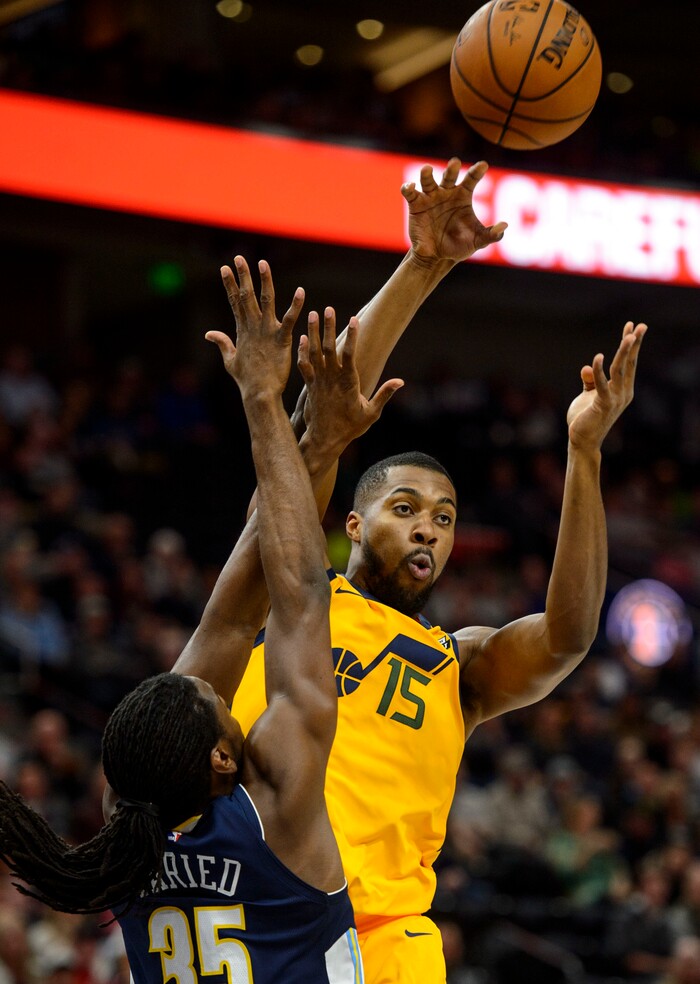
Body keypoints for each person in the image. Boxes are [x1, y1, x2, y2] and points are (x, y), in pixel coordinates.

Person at [226, 159, 648, 983]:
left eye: (446, 518)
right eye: (407, 506)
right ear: (351, 525)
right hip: (254, 910)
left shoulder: (459, 666)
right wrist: (424, 266)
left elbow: (566, 638)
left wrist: (584, 450)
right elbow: (320, 421)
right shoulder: (293, 593)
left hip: (386, 936)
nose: (429, 527)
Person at [0, 258, 403, 982]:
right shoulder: (269, 809)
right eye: (220, 701)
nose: (224, 683)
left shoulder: (131, 832)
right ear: (222, 761)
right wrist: (261, 401)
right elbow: (296, 591)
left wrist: (307, 440)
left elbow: (239, 612)